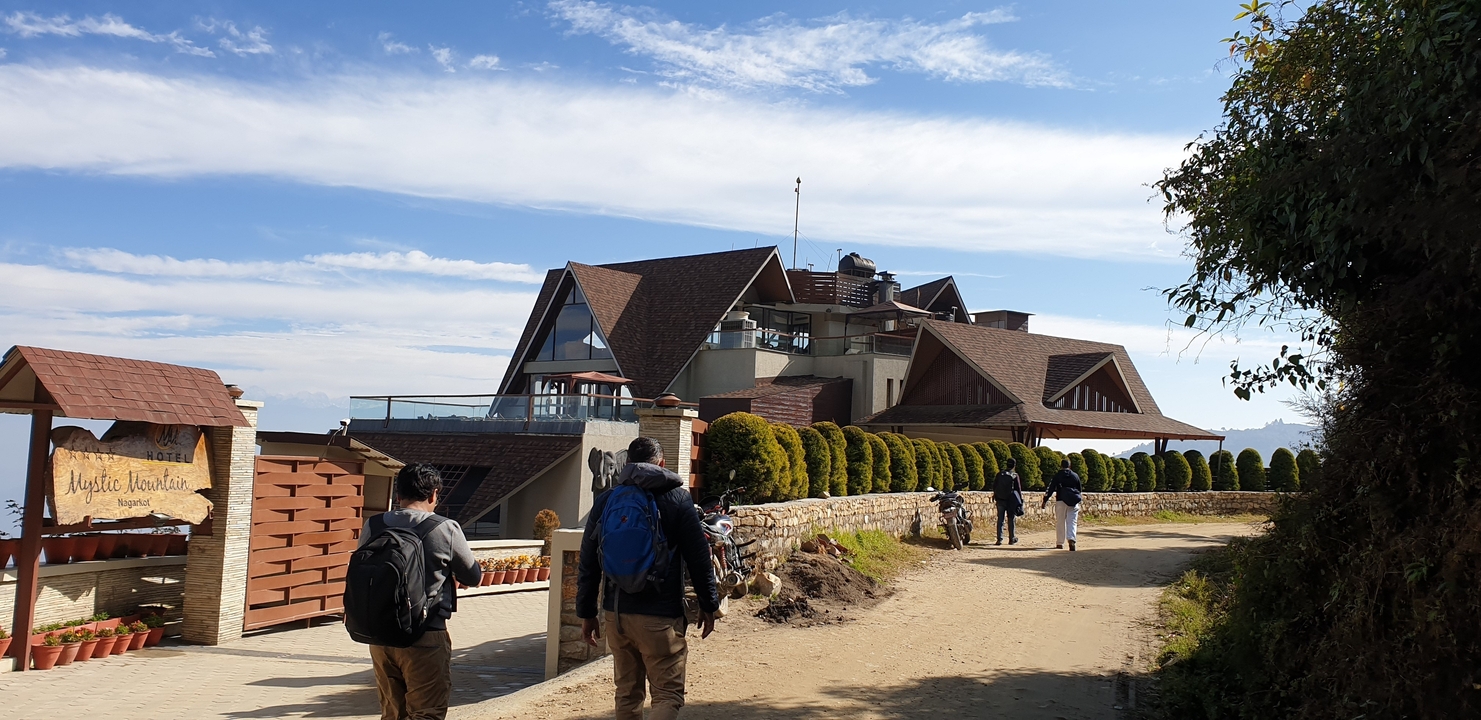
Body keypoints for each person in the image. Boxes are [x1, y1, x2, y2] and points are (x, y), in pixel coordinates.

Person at [578, 437, 721, 720]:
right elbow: (699, 559)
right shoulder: (678, 500)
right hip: (660, 615)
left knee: (627, 694)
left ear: (627, 464)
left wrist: (586, 613)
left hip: (616, 614)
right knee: (667, 695)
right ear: (662, 464)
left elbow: (588, 560)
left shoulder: (608, 500)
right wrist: (709, 604)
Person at [362, 464, 482, 720]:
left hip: (380, 636)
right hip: (425, 636)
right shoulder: (445, 528)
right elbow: (472, 575)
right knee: (427, 713)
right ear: (433, 495)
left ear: (398, 495)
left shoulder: (373, 525)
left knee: (392, 714)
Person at [1042, 458, 1084, 551]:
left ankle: (1060, 543)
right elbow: (1079, 489)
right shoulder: (1075, 476)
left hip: (1061, 500)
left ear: (1061, 466)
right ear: (1070, 466)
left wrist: (1045, 500)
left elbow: (1051, 488)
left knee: (1060, 521)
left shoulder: (1058, 475)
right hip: (1073, 501)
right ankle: (1071, 539)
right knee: (1072, 521)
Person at [992, 458, 1024, 545]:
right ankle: (1011, 538)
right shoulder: (1014, 475)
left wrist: (995, 495)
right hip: (1011, 500)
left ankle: (999, 539)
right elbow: (1018, 489)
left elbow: (994, 486)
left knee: (1000, 520)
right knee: (1011, 519)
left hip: (1000, 499)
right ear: (1014, 465)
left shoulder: (1000, 474)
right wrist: (1020, 500)